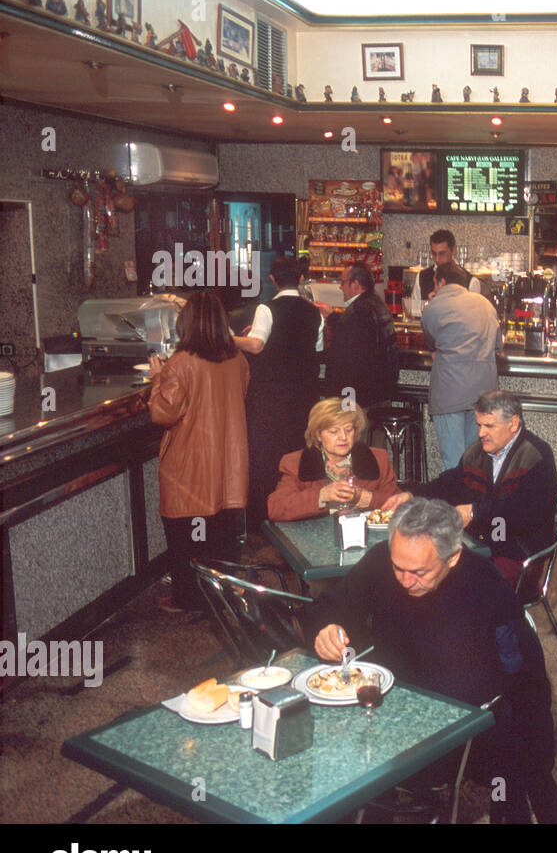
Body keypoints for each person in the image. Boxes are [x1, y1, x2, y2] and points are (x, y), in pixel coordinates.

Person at [307, 498, 557, 824]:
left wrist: (539, 770)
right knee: (321, 762)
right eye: (398, 568)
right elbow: (326, 606)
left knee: (518, 764)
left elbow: (524, 676)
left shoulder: (487, 587)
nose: (404, 580)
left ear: (453, 557)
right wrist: (325, 628)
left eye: (418, 572)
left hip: (460, 726)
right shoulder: (381, 560)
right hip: (386, 709)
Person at [383, 390, 557, 588]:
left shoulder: (536, 456)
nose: (481, 433)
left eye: (489, 426)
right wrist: (412, 495)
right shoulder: (478, 451)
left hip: (519, 553)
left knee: (455, 584)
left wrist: (474, 511)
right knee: (423, 568)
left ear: (514, 423)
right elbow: (449, 484)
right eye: (479, 425)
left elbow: (522, 512)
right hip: (480, 546)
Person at [148, 291, 250, 613]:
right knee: (219, 536)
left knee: (185, 539)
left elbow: (163, 413)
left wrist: (156, 379)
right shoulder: (238, 359)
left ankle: (186, 599)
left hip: (188, 468)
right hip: (227, 466)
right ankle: (219, 593)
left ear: (187, 323)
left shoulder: (179, 364)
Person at [234, 255, 325, 527]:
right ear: (300, 279)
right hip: (304, 399)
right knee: (299, 455)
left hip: (271, 400)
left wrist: (227, 337)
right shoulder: (314, 312)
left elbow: (257, 345)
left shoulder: (266, 309)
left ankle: (264, 521)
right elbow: (317, 349)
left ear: (272, 280)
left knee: (267, 460)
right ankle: (301, 515)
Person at [421, 260, 503, 471]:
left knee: (454, 463)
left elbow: (431, 343)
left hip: (450, 393)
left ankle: (456, 503)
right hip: (484, 392)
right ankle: (475, 504)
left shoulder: (433, 307)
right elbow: (497, 344)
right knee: (477, 460)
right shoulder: (485, 304)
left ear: (442, 282)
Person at [267, 397, 399, 521]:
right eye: (334, 431)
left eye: (349, 430)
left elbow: (400, 503)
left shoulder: (377, 459)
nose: (343, 437)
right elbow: (276, 508)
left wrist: (369, 498)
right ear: (318, 435)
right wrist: (321, 495)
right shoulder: (296, 462)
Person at [323, 262, 399, 409]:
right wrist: (332, 316)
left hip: (359, 398)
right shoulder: (378, 304)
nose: (340, 287)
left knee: (354, 431)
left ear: (355, 284)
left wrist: (337, 398)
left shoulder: (356, 312)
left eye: (343, 282)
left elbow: (346, 365)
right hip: (380, 393)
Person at [418, 229, 483, 297]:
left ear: (454, 250)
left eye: (442, 253)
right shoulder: (421, 278)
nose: (437, 259)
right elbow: (415, 306)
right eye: (434, 253)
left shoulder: (471, 282)